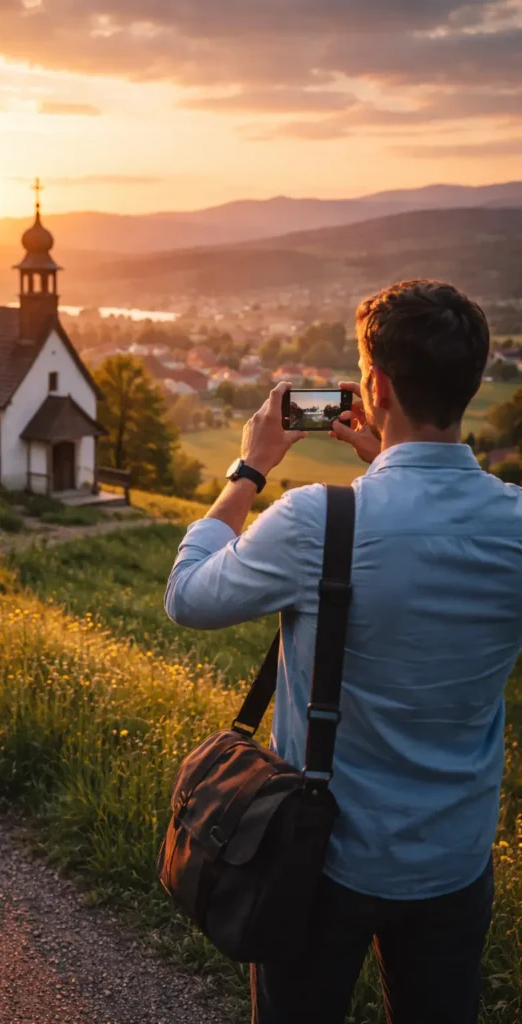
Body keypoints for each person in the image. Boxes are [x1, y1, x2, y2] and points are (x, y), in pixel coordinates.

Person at [164, 280, 522, 1024]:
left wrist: (248, 470)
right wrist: (386, 458)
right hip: (454, 859)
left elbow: (188, 598)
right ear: (469, 383)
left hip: (319, 858)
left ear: (376, 385)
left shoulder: (318, 519)